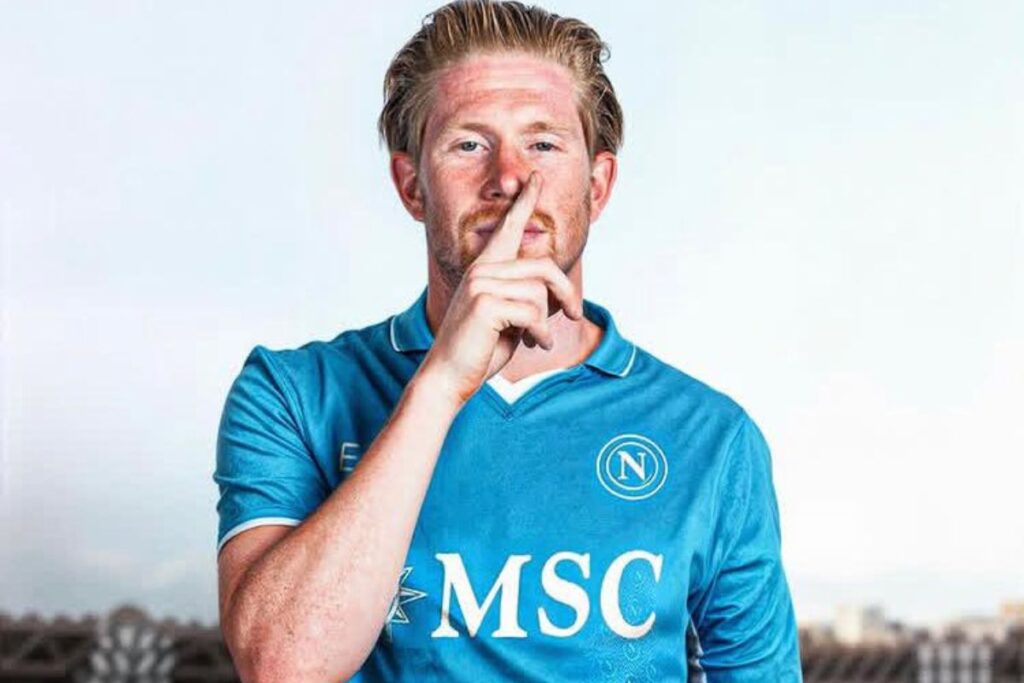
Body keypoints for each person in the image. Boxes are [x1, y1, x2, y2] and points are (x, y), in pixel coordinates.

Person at [213, 1, 803, 680]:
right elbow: (282, 664)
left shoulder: (714, 438)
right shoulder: (291, 394)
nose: (510, 179)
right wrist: (441, 384)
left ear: (598, 186)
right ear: (411, 186)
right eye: (469, 144)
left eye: (543, 144)